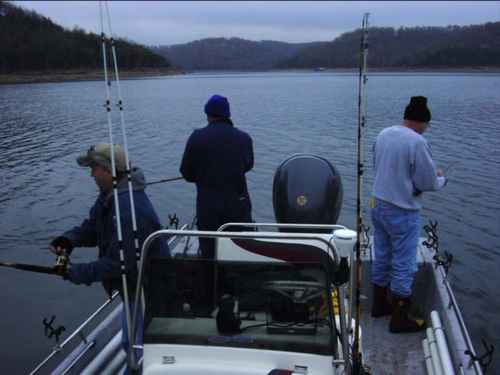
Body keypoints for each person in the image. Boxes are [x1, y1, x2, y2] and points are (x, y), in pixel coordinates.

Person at [49, 143, 169, 364]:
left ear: (108, 170)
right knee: (129, 343)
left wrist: (76, 272)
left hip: (147, 289)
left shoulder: (126, 208)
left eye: (94, 168)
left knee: (138, 350)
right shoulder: (110, 194)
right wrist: (69, 240)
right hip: (132, 288)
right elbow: (94, 227)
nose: (91, 174)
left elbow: (121, 264)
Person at [370, 96, 447, 333]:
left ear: (406, 117)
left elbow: (378, 166)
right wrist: (442, 179)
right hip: (402, 210)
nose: (426, 129)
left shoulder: (383, 134)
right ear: (423, 122)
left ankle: (379, 305)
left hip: (377, 204)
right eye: (427, 125)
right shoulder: (417, 142)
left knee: (381, 254)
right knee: (403, 262)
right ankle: (399, 318)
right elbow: (427, 181)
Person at [180, 94, 254, 259]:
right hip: (238, 206)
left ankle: (210, 282)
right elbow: (248, 165)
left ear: (208, 114)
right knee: (241, 251)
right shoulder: (244, 138)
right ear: (227, 114)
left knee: (209, 254)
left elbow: (186, 172)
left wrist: (203, 176)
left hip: (208, 208)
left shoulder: (197, 137)